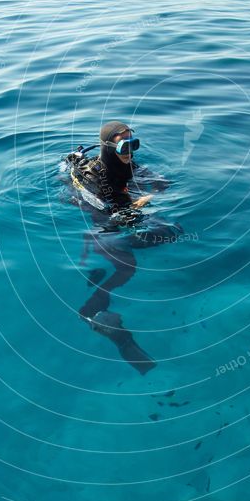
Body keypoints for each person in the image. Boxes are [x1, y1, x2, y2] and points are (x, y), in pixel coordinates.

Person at [65, 120, 181, 375]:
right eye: (125, 146)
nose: (131, 151)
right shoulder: (95, 176)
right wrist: (139, 204)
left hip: (121, 214)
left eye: (134, 144)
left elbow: (158, 181)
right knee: (128, 267)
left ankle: (95, 276)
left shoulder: (127, 164)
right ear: (108, 148)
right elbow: (108, 211)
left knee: (171, 232)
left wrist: (158, 186)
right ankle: (92, 313)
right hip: (103, 226)